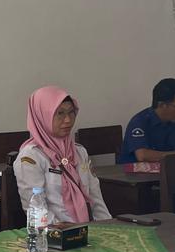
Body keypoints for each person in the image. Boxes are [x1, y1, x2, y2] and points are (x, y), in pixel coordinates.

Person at [13, 86, 111, 223]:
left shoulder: (79, 152)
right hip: (57, 232)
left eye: (71, 112)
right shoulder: (31, 157)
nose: (68, 120)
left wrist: (107, 226)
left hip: (89, 229)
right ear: (43, 116)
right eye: (60, 113)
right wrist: (69, 232)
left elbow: (96, 198)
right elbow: (36, 210)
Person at [117, 78, 175, 164]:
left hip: (165, 168)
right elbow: (143, 156)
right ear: (162, 105)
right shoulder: (140, 121)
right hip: (134, 171)